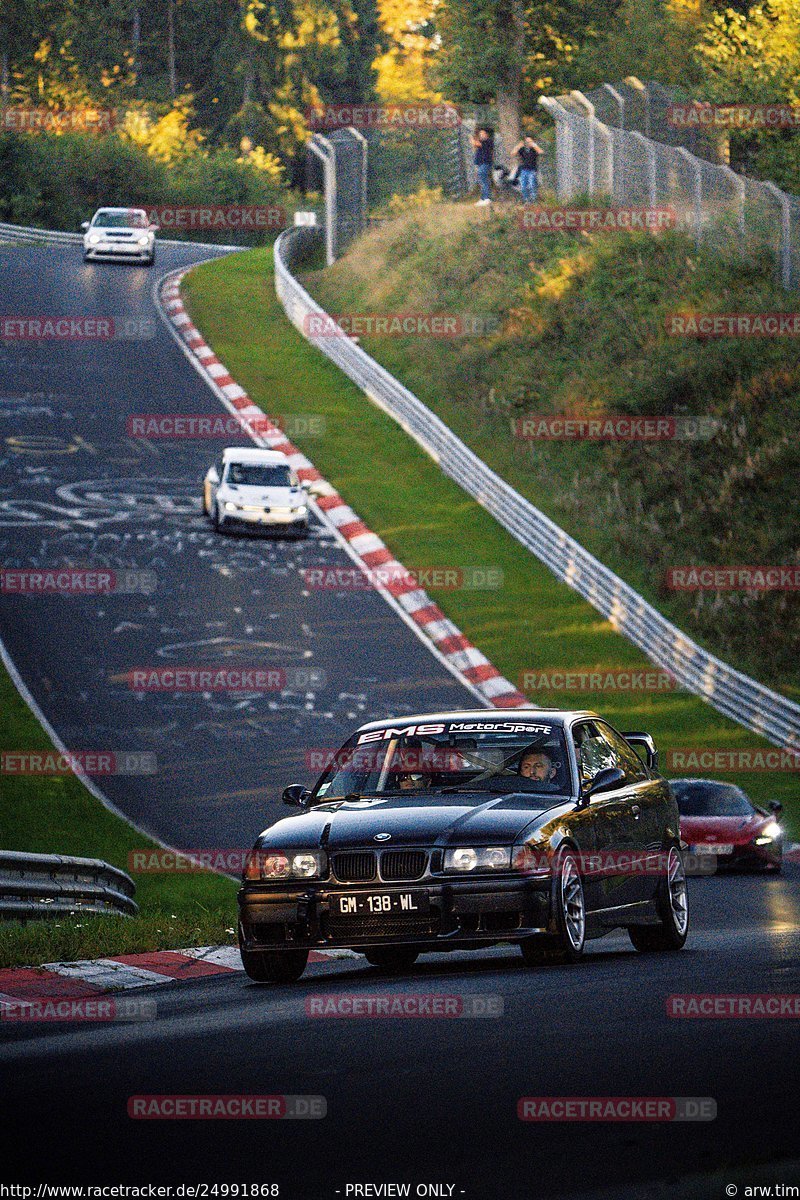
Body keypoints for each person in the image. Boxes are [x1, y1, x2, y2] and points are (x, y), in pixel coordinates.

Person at [512, 134, 543, 204]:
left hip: (532, 170)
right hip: (524, 170)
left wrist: (534, 145)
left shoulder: (534, 150)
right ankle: (526, 200)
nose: (528, 143)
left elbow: (541, 152)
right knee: (523, 186)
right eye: (527, 141)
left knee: (532, 185)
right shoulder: (522, 150)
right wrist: (518, 146)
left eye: (530, 141)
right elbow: (513, 153)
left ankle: (533, 200)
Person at [472, 127, 494, 206]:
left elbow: (476, 144)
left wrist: (472, 138)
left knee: (484, 180)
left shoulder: (488, 141)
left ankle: (487, 198)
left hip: (485, 163)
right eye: (480, 134)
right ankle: (483, 198)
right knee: (481, 181)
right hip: (480, 163)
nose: (481, 135)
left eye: (483, 134)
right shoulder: (481, 141)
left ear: (486, 134)